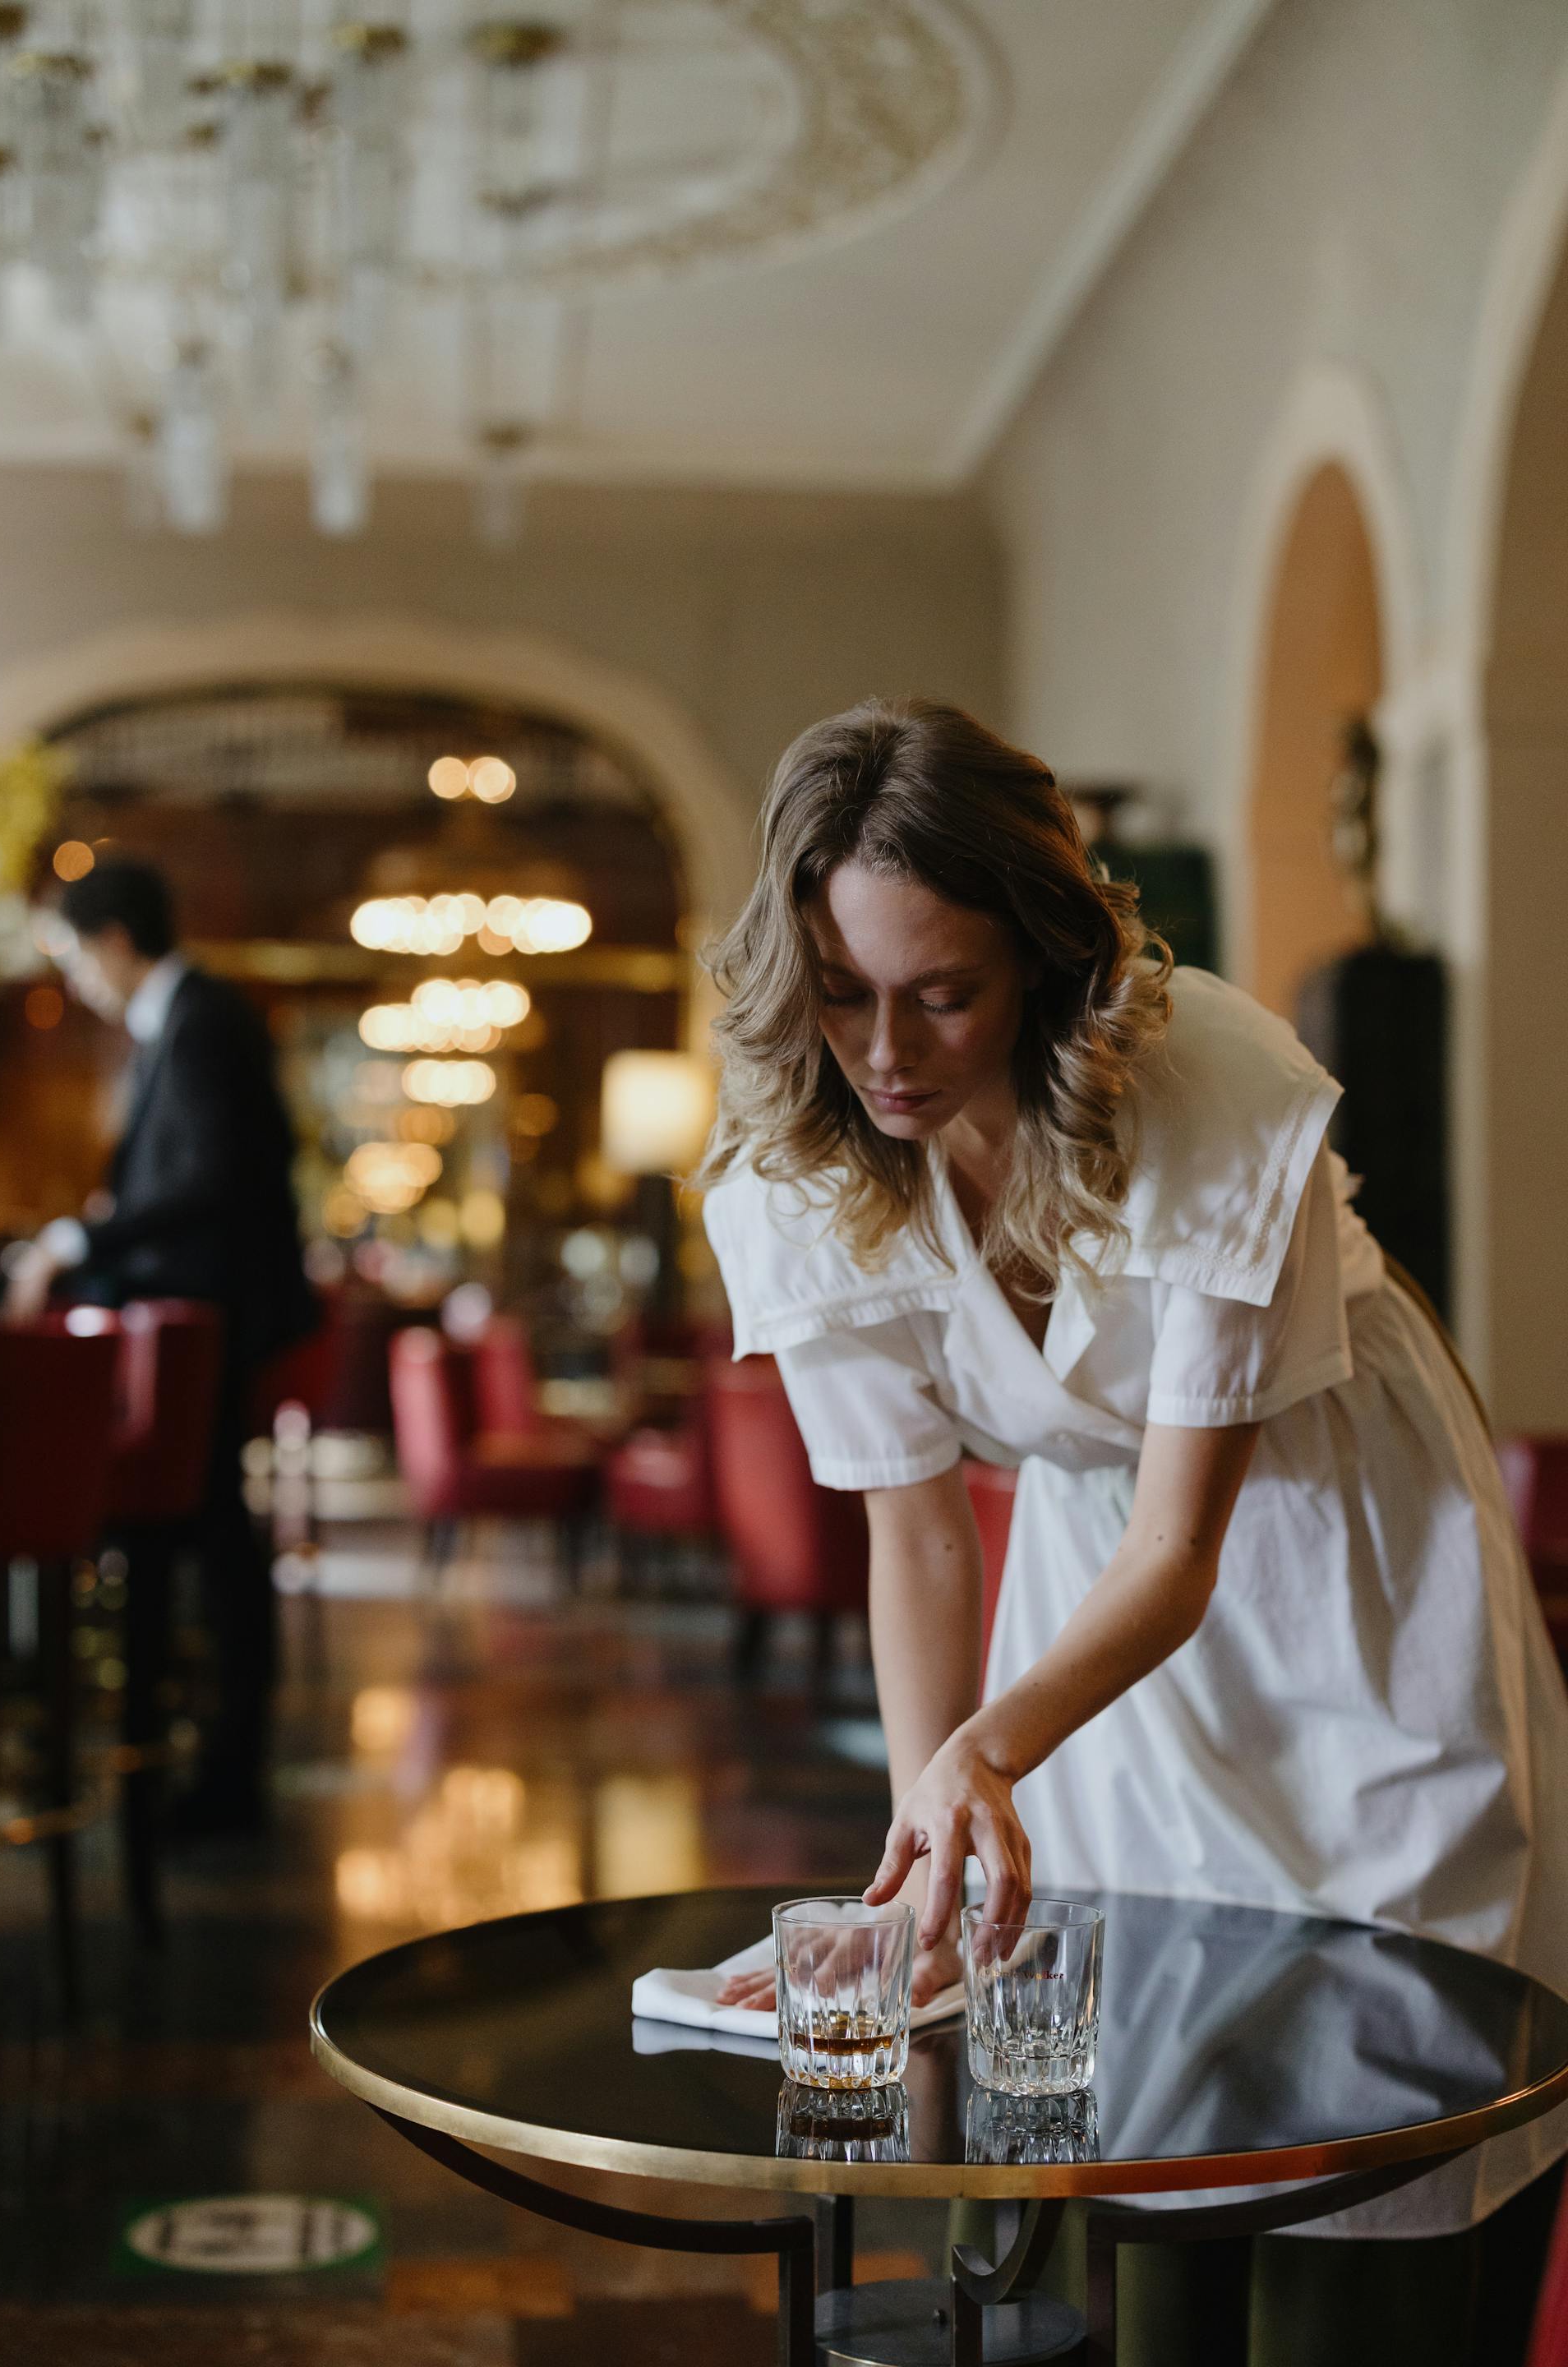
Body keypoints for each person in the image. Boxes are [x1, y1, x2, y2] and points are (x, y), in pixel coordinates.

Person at [698, 701, 1568, 2331]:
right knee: (1133, 2069)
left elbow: (1189, 1549)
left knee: (1376, 2065)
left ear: (1040, 960)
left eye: (942, 993)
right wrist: (924, 1859)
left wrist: (994, 1746)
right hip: (1087, 1590)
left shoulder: (1212, 1086)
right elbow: (922, 1535)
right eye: (838, 994)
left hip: (1342, 1564)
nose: (883, 1052)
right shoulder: (793, 1170)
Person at [9, 858, 316, 1832]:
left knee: (217, 1540)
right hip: (206, 1317)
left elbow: (211, 1184)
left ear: (111, 942)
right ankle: (197, 1761)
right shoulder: (187, 1022)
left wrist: (76, 1243)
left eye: (73, 955)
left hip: (213, 1324)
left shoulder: (203, 1020)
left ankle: (224, 1771)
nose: (75, 979)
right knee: (212, 1536)